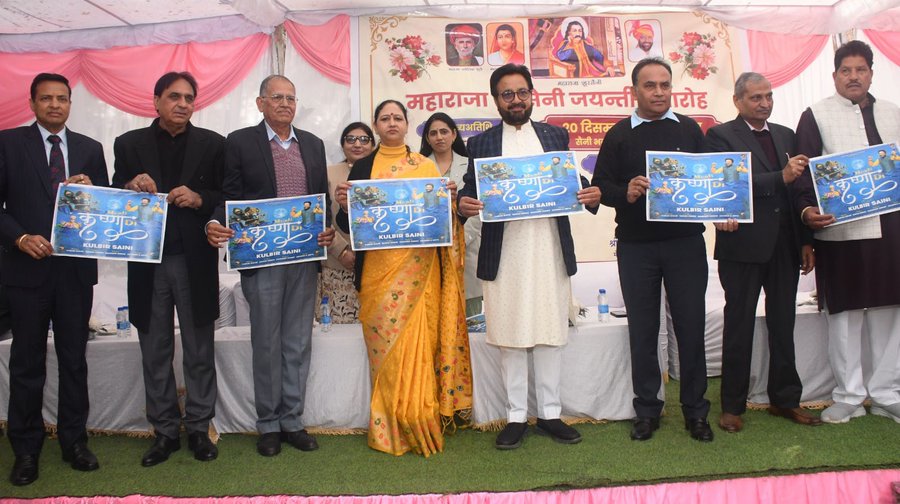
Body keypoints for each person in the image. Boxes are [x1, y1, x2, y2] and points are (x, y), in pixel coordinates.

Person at [458, 64, 601, 450]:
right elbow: (470, 189)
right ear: (496, 100)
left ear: (532, 95)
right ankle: (516, 416)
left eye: (522, 92)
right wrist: (462, 204)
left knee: (550, 331)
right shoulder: (481, 144)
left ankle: (551, 413)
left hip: (548, 247)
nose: (516, 100)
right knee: (510, 334)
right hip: (504, 252)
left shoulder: (555, 134)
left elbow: (570, 180)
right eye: (507, 94)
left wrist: (591, 192)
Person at [334, 100, 472, 457]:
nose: (392, 123)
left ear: (407, 125)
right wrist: (345, 206)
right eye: (385, 118)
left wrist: (450, 202)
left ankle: (420, 416)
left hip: (419, 272)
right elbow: (347, 225)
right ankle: (388, 423)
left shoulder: (424, 165)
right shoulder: (362, 167)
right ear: (376, 126)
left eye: (398, 117)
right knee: (386, 350)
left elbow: (441, 220)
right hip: (376, 274)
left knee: (418, 346)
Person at [206, 75, 335, 456]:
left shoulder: (312, 143)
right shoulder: (240, 142)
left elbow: (321, 199)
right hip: (261, 260)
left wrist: (326, 228)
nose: (285, 104)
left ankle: (292, 421)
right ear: (260, 103)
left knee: (297, 342)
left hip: (303, 258)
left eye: (291, 98)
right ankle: (268, 424)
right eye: (277, 97)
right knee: (266, 342)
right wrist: (215, 221)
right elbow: (229, 196)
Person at [592, 58, 713, 443]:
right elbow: (600, 187)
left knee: (691, 328)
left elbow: (710, 181)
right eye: (650, 85)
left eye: (665, 84)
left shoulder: (690, 130)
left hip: (685, 245)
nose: (659, 92)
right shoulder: (618, 135)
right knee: (643, 331)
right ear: (634, 91)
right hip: (636, 247)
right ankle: (647, 409)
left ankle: (696, 411)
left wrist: (725, 208)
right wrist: (624, 192)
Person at [0, 73, 108, 486]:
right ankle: (26, 450)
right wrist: (19, 238)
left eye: (62, 98)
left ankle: (74, 442)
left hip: (74, 275)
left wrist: (92, 191)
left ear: (70, 104)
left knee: (74, 361)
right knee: (27, 363)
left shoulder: (90, 148)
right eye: (46, 98)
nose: (54, 105)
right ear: (32, 103)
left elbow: (105, 209)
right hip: (25, 273)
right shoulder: (9, 143)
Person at [113, 71, 223, 466]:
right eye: (174, 96)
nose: (182, 104)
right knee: (155, 349)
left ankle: (199, 428)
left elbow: (224, 194)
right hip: (148, 262)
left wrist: (199, 198)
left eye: (189, 98)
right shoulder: (128, 144)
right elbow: (113, 194)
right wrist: (130, 185)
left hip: (195, 260)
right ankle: (164, 432)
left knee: (199, 349)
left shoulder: (214, 143)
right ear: (156, 100)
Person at [705, 72, 823, 433]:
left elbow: (799, 191)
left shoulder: (786, 134)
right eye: (756, 97)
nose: (764, 103)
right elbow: (726, 184)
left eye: (768, 96)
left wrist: (806, 240)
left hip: (785, 246)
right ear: (738, 101)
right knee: (738, 325)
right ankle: (732, 406)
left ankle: (785, 400)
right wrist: (779, 177)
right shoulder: (720, 136)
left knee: (783, 324)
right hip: (742, 246)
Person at [792, 40, 900, 424]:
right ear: (835, 75)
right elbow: (802, 173)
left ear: (871, 73)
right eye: (846, 71)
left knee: (890, 312)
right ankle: (849, 395)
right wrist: (807, 213)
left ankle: (886, 393)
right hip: (840, 234)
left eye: (861, 70)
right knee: (844, 316)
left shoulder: (893, 112)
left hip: (891, 232)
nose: (854, 77)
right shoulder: (815, 115)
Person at [419, 112, 483, 316]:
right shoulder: (416, 168)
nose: (439, 137)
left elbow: (478, 207)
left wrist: (460, 240)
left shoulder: (471, 164)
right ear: (427, 138)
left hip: (467, 249)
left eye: (444, 132)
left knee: (471, 317)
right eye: (433, 133)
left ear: (454, 135)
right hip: (429, 252)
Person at [318, 122, 374, 323]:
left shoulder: (382, 174)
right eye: (351, 139)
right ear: (342, 145)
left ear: (373, 144)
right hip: (338, 264)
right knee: (339, 329)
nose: (357, 144)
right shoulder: (327, 173)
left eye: (364, 139)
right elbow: (320, 216)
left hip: (375, 264)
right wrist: (341, 251)